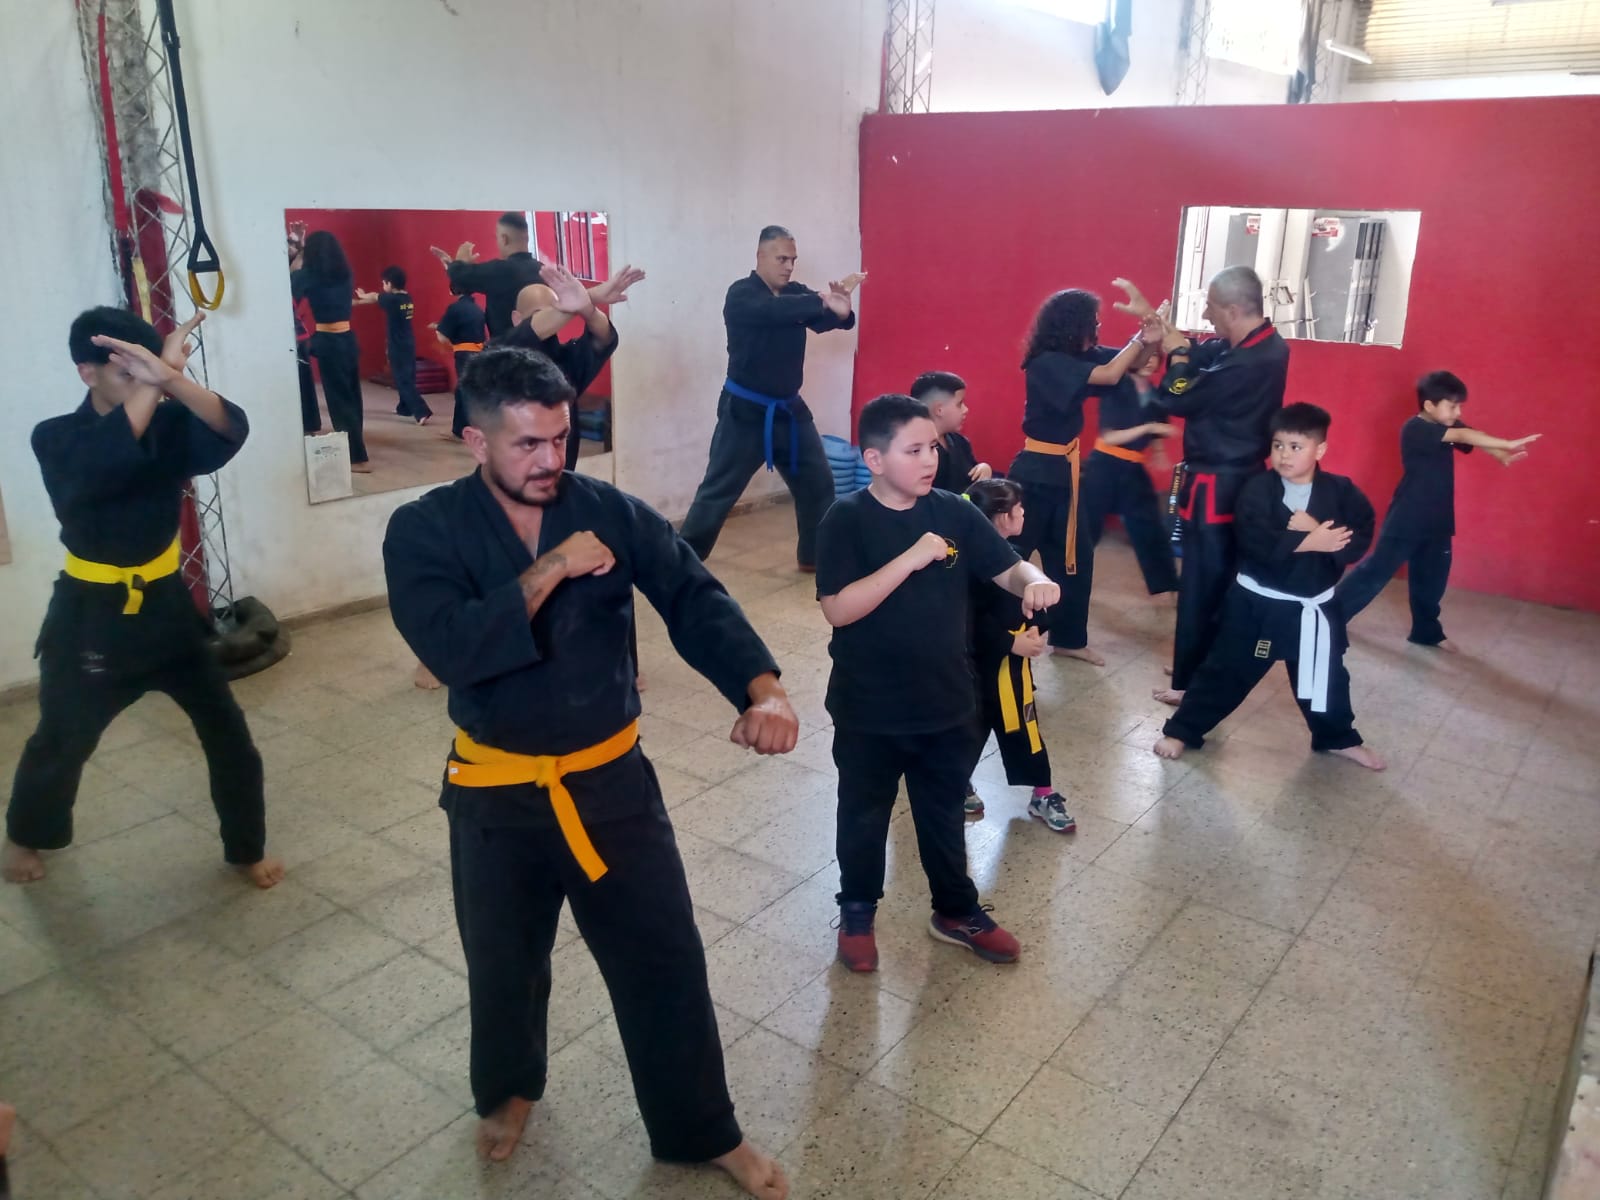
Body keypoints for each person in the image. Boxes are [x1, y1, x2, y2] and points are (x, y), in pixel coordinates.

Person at [382, 345, 794, 1198]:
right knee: (504, 962)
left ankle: (699, 1128)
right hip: (495, 792)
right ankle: (509, 1091)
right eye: (527, 443)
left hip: (611, 786)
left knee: (664, 958)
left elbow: (693, 596)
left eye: (561, 438)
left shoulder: (609, 510)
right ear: (475, 441)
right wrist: (554, 566)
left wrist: (763, 687)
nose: (550, 459)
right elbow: (452, 649)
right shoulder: (424, 528)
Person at [2, 308, 285, 889]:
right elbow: (101, 465)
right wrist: (155, 383)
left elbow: (230, 430)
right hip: (91, 617)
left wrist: (172, 378)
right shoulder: (56, 436)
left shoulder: (166, 424)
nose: (142, 385)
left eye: (146, 370)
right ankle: (26, 833)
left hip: (167, 611)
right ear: (87, 373)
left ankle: (245, 849)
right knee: (63, 738)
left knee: (229, 734)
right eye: (126, 373)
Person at [817, 393, 1059, 973]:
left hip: (947, 701)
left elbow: (1006, 565)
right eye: (914, 450)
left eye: (933, 447)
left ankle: (955, 910)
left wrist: (1033, 578)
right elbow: (838, 609)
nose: (930, 459)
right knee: (863, 815)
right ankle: (857, 912)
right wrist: (910, 558)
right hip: (869, 706)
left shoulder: (953, 510)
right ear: (874, 460)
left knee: (943, 813)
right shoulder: (846, 519)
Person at [1154, 403, 1383, 770]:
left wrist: (1314, 530)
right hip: (1258, 605)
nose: (1284, 455)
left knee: (1327, 677)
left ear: (1320, 450)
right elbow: (1252, 540)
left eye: (1296, 446)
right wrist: (1310, 541)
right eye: (1278, 446)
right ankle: (1183, 730)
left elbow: (1360, 530)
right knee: (1226, 671)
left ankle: (1338, 738)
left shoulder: (1341, 491)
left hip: (1314, 606)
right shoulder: (1257, 489)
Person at [1130, 267, 1288, 705]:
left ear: (1234, 310)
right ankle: (1197, 663)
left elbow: (1177, 396)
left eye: (1212, 308)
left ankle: (1189, 682)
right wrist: (1172, 337)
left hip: (1219, 484)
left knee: (1203, 582)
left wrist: (1178, 355)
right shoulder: (1264, 344)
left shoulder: (1249, 362)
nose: (1206, 315)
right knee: (1213, 580)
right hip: (1232, 477)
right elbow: (1206, 352)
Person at [680, 226, 865, 572]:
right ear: (760, 256)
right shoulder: (741, 294)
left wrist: (840, 311)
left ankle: (814, 558)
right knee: (718, 493)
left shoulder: (796, 293)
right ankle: (678, 563)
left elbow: (826, 320)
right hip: (744, 412)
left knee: (818, 484)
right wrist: (820, 300)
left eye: (793, 260)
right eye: (782, 259)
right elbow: (772, 311)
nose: (789, 266)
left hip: (789, 410)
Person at [1006, 286, 1164, 666]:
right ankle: (993, 631)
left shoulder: (1079, 357)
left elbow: (1134, 365)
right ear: (1071, 323)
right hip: (1034, 475)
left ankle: (1069, 640)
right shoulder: (1046, 363)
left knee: (1075, 560)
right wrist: (1139, 339)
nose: (1097, 327)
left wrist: (1151, 338)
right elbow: (1110, 374)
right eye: (1092, 321)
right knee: (1011, 556)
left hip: (1067, 475)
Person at [1336, 371, 1539, 652]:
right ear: (1429, 405)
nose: (1458, 412)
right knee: (1375, 572)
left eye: (1459, 407)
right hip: (1407, 518)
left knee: (1431, 581)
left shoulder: (1447, 425)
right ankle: (1329, 617)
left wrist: (1499, 455)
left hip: (1438, 520)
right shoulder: (1415, 428)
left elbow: (1473, 436)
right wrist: (1506, 442)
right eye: (1452, 406)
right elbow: (1462, 434)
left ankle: (1426, 632)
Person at [963, 479, 1076, 833]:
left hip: (1013, 676)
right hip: (978, 673)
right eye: (1018, 508)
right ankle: (956, 783)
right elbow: (969, 622)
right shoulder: (972, 567)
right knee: (968, 734)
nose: (1023, 512)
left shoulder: (1016, 558)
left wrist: (1037, 630)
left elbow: (1035, 600)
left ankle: (1043, 792)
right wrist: (1009, 643)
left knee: (1026, 731)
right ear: (1001, 518)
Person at [1079, 353, 1180, 597]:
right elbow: (1110, 436)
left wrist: (1158, 451)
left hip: (1133, 468)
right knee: (1086, 527)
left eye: (1154, 356)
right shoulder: (1116, 387)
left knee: (1151, 527)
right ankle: (1068, 578)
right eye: (1145, 355)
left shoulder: (1156, 394)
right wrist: (1149, 427)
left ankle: (1167, 586)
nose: (1149, 360)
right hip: (1104, 466)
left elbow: (1157, 430)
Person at [290, 228, 370, 472]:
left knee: (339, 401)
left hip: (329, 341)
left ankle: (357, 458)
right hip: (348, 339)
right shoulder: (345, 274)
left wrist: (299, 251)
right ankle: (356, 447)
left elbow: (290, 284)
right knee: (352, 397)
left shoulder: (311, 276)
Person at [431, 212, 546, 339]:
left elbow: (459, 275)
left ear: (504, 239)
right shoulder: (543, 270)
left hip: (507, 347)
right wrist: (455, 268)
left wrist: (458, 263)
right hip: (544, 347)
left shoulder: (499, 271)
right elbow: (462, 285)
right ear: (527, 238)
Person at [355, 266, 432, 425]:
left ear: (389, 283)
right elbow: (377, 299)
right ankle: (404, 408)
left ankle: (421, 411)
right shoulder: (406, 298)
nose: (383, 286)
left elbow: (374, 296)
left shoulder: (392, 300)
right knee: (408, 377)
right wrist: (359, 301)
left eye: (384, 283)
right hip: (408, 343)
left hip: (398, 345)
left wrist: (362, 295)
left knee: (402, 380)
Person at [911, 370, 992, 493]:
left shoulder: (960, 442)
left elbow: (972, 477)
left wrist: (984, 469)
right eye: (959, 404)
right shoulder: (914, 449)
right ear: (939, 410)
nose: (966, 409)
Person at [433, 283, 488, 440]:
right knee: (470, 390)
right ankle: (468, 427)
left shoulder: (455, 308)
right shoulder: (477, 309)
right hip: (480, 353)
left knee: (463, 391)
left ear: (453, 290)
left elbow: (442, 336)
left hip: (464, 354)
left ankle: (461, 430)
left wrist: (439, 330)